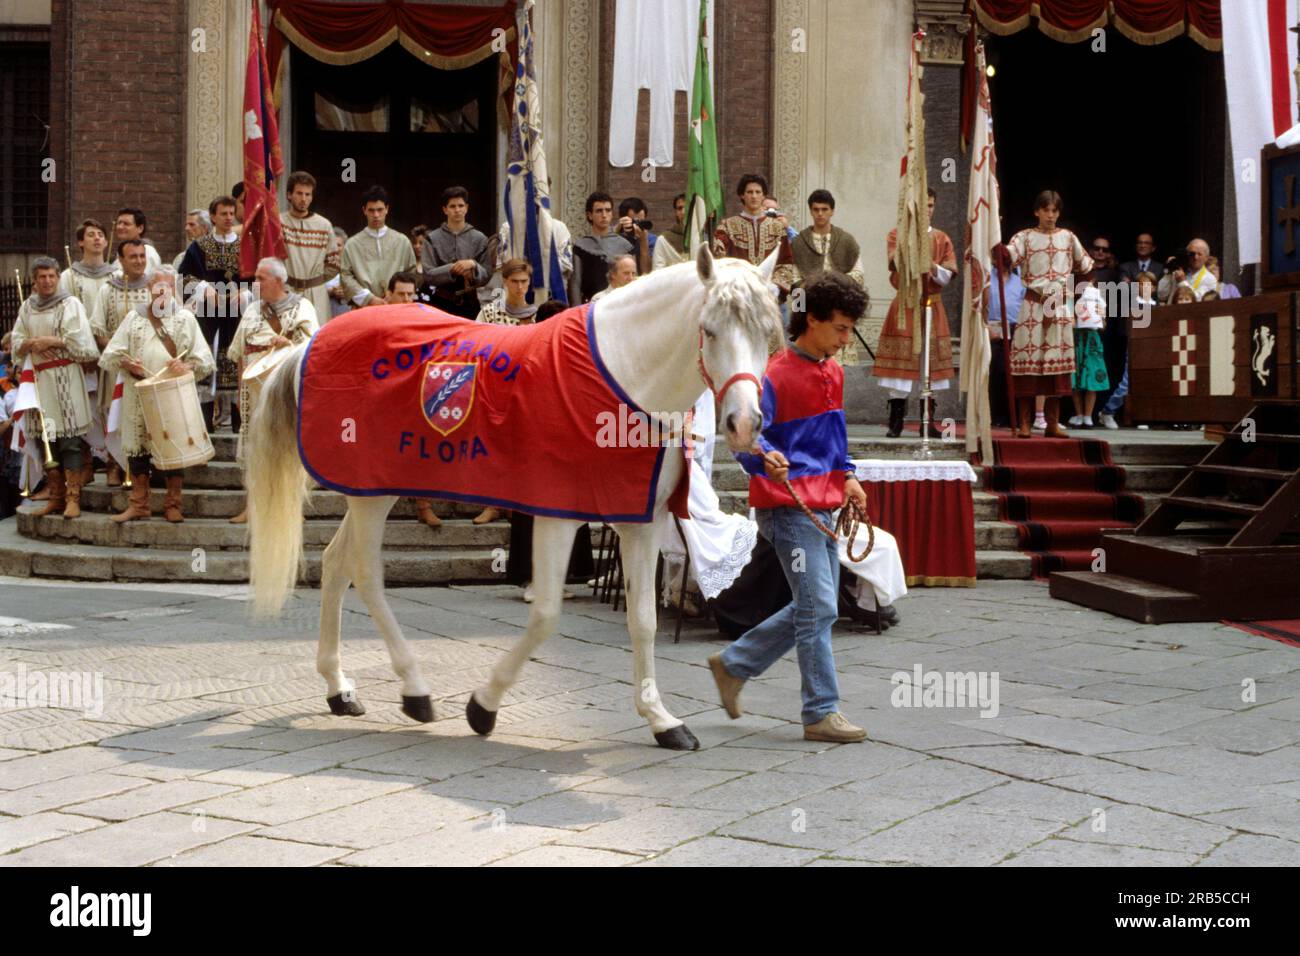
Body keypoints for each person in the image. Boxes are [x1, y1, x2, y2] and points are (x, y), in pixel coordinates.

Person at [708, 271, 871, 743]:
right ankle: (820, 710)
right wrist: (763, 461)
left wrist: (850, 475)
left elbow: (835, 438)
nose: (846, 339)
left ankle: (734, 664)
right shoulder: (774, 376)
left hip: (825, 508)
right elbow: (742, 439)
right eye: (840, 328)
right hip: (786, 509)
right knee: (819, 606)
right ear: (812, 320)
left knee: (815, 607)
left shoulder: (834, 372)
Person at [99, 266, 214, 523]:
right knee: (138, 450)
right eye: (158, 287)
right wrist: (129, 364)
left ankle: (173, 504)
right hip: (138, 392)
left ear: (174, 289)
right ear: (150, 289)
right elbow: (112, 354)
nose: (163, 292)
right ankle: (139, 504)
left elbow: (204, 359)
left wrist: (186, 366)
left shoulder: (185, 318)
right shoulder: (134, 318)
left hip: (171, 393)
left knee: (174, 446)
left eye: (169, 287)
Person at [226, 257, 320, 524]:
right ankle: (252, 507)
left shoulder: (303, 307)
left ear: (278, 281)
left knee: (288, 445)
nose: (255, 283)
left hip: (286, 390)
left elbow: (312, 347)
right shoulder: (253, 310)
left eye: (260, 278)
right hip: (254, 391)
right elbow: (239, 352)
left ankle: (291, 509)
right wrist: (239, 388)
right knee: (255, 446)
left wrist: (287, 342)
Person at [9, 257, 101, 519]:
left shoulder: (70, 304)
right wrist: (30, 344)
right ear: (35, 281)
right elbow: (17, 339)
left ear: (58, 277)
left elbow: (83, 343)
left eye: (51, 276)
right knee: (46, 440)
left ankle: (73, 498)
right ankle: (56, 496)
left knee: (69, 441)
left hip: (65, 377)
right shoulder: (28, 307)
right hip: (38, 381)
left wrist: (52, 341)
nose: (47, 281)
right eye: (42, 277)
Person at [872, 187, 957, 438]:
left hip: (931, 305)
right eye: (922, 206)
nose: (927, 211)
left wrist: (932, 266)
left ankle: (927, 421)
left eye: (930, 206)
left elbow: (948, 274)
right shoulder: (897, 235)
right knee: (901, 364)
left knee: (928, 364)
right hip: (906, 305)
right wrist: (911, 248)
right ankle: (895, 421)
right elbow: (896, 264)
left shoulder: (942, 238)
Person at [179, 194, 249, 430]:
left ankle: (239, 430)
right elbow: (184, 277)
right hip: (208, 316)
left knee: (237, 365)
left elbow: (257, 276)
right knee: (205, 366)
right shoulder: (199, 247)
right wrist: (202, 288)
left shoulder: (245, 246)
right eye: (223, 214)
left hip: (237, 316)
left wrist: (246, 292)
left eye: (232, 213)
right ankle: (204, 428)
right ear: (213, 217)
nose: (229, 218)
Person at [90, 239, 153, 486]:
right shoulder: (108, 289)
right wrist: (119, 352)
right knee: (114, 413)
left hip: (146, 365)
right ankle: (114, 464)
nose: (138, 261)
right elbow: (98, 329)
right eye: (133, 257)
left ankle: (144, 467)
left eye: (141, 256)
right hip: (118, 364)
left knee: (144, 416)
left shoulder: (154, 287)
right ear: (121, 260)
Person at [791, 189, 866, 364]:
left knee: (835, 367)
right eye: (816, 209)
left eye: (824, 209)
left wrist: (835, 289)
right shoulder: (799, 243)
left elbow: (858, 275)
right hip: (811, 315)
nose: (820, 214)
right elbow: (794, 282)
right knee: (807, 364)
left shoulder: (847, 241)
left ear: (832, 211)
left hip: (838, 310)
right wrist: (799, 317)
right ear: (810, 211)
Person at [712, 174, 796, 295]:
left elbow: (785, 262)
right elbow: (720, 261)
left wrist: (775, 288)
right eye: (749, 192)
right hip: (738, 294)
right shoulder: (727, 226)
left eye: (758, 192)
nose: (754, 196)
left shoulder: (777, 227)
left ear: (763, 196)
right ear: (742, 195)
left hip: (769, 296)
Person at [419, 187, 492, 319]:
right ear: (445, 209)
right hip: (440, 303)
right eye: (452, 206)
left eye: (460, 205)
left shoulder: (479, 238)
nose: (457, 210)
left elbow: (487, 274)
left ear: (466, 208)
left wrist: (473, 265)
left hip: (470, 303)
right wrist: (453, 268)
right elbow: (428, 274)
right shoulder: (432, 239)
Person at [340, 185, 418, 308]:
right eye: (371, 210)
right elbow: (345, 276)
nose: (376, 215)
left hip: (396, 306)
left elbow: (411, 273)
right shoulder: (352, 244)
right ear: (364, 210)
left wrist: (394, 294)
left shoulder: (402, 241)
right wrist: (368, 298)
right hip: (364, 307)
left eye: (380, 209)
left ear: (387, 209)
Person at [1099, 270, 1156, 429]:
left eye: (1148, 285)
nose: (1144, 288)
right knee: (1127, 382)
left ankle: (1142, 416)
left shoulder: (1156, 305)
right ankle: (1108, 411)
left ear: (1154, 288)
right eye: (1141, 284)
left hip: (1152, 350)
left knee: (1146, 384)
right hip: (1135, 349)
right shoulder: (1131, 304)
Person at [281, 170, 335, 321]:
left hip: (316, 293)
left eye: (308, 194)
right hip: (287, 290)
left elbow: (334, 264)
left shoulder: (324, 225)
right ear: (289, 195)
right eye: (299, 193)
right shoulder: (279, 223)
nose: (303, 199)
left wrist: (314, 280)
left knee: (316, 337)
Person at [570, 191, 637, 303]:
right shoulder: (580, 246)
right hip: (590, 304)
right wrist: (577, 311)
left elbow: (633, 278)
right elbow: (575, 283)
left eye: (608, 210)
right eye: (599, 211)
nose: (604, 215)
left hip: (620, 301)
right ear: (589, 215)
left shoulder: (626, 245)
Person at [986, 263, 1025, 428]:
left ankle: (1014, 416)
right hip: (995, 330)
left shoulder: (1020, 281)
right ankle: (998, 415)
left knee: (1017, 374)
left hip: (1017, 329)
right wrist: (985, 327)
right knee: (999, 373)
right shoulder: (988, 279)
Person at [1069, 272, 1109, 427]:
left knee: (1092, 376)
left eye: (1092, 282)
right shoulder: (1072, 300)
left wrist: (1099, 318)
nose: (1089, 284)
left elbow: (1104, 326)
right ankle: (1079, 414)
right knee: (1076, 378)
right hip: (1076, 340)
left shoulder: (1099, 301)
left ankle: (1088, 415)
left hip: (1092, 341)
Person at [60, 219, 116, 309]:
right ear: (81, 242)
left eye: (100, 235)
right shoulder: (68, 277)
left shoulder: (117, 276)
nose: (97, 238)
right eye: (91, 235)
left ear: (106, 243)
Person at [477, 259, 538, 326]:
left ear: (529, 281)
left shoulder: (537, 315)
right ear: (505, 281)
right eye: (514, 281)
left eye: (524, 281)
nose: (520, 286)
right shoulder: (490, 312)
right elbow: (477, 334)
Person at [1158, 238, 1216, 303]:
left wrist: (1182, 282)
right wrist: (1169, 272)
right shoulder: (1177, 271)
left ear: (1206, 258)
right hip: (1171, 311)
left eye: (1199, 254)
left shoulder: (1210, 278)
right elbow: (1161, 295)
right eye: (1192, 254)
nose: (1195, 257)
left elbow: (1199, 300)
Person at [111, 208, 162, 273]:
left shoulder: (148, 252)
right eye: (119, 223)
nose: (120, 227)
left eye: (126, 224)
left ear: (140, 228)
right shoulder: (120, 254)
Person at [651, 193, 688, 271]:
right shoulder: (663, 240)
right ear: (676, 212)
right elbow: (658, 273)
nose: (683, 212)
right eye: (680, 208)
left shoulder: (705, 238)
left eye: (687, 207)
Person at [617, 196, 656, 265]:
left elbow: (648, 273)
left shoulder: (651, 240)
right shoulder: (616, 238)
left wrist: (644, 243)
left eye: (641, 222)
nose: (637, 226)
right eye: (634, 222)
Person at [323, 226, 350, 321]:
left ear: (344, 246)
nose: (335, 248)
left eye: (338, 245)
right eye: (332, 245)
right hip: (324, 307)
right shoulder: (318, 266)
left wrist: (347, 291)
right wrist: (331, 291)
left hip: (347, 308)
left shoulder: (352, 266)